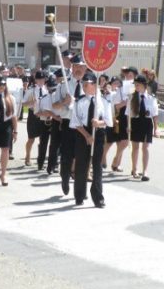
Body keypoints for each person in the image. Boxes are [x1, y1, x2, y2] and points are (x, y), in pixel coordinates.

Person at [70, 72, 110, 208]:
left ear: (95, 85)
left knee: (97, 166)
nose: (85, 86)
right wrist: (87, 135)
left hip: (98, 133)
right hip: (83, 134)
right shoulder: (79, 101)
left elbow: (109, 121)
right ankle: (79, 195)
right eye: (84, 84)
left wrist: (98, 123)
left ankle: (98, 197)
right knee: (81, 165)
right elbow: (75, 122)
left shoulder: (103, 101)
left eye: (88, 84)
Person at [52, 55, 86, 196]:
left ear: (85, 68)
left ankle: (80, 189)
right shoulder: (63, 85)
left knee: (81, 158)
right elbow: (54, 106)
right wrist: (64, 102)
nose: (78, 69)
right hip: (68, 124)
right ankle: (65, 178)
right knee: (67, 156)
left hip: (83, 126)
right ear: (71, 67)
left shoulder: (89, 85)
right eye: (76, 66)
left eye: (81, 67)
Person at [128, 75, 158, 181]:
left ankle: (145, 171)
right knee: (135, 148)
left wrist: (156, 128)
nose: (136, 87)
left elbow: (154, 114)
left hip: (147, 123)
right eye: (135, 85)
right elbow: (129, 114)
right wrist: (128, 126)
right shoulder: (132, 97)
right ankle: (134, 169)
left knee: (145, 148)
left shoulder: (151, 98)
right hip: (135, 123)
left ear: (144, 85)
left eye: (138, 85)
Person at [110, 66, 136, 172]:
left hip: (134, 114)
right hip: (124, 114)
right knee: (124, 140)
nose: (128, 77)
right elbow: (116, 106)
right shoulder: (122, 87)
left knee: (128, 141)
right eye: (127, 75)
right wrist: (125, 102)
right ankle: (116, 160)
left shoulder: (136, 85)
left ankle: (117, 163)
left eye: (131, 75)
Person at [142, 68, 161, 138]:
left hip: (152, 99)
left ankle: (156, 129)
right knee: (147, 114)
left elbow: (150, 91)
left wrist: (146, 87)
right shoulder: (147, 82)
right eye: (149, 74)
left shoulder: (155, 83)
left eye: (151, 75)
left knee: (154, 115)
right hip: (147, 100)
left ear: (153, 75)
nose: (149, 76)